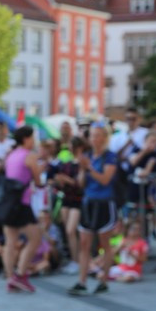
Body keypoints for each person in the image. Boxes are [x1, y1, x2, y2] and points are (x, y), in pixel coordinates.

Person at [68, 123, 117, 296]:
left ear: (104, 137)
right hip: (88, 202)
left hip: (104, 203)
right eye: (92, 136)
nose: (95, 139)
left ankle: (103, 279)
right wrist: (82, 170)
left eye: (98, 135)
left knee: (104, 244)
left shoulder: (109, 157)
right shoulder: (88, 156)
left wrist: (89, 167)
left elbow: (105, 180)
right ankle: (82, 281)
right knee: (84, 244)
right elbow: (81, 183)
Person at [0, 126, 43, 293]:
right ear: (26, 139)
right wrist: (41, 169)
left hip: (8, 203)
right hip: (22, 204)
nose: (34, 141)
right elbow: (38, 181)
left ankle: (11, 277)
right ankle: (20, 274)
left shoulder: (10, 155)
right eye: (32, 138)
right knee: (35, 238)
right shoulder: (30, 156)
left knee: (10, 241)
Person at [49, 135, 84, 274]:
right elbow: (58, 178)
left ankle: (78, 260)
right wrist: (60, 180)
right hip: (66, 198)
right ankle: (73, 259)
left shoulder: (82, 163)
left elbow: (79, 184)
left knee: (71, 230)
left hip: (77, 199)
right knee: (67, 231)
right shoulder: (66, 162)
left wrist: (67, 180)